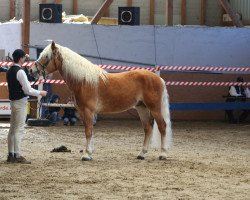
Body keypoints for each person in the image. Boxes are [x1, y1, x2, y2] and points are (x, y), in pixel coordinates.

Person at [6, 49, 47, 164]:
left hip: (13, 102)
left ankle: (11, 154)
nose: (25, 59)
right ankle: (17, 155)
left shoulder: (9, 71)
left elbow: (9, 88)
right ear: (21, 58)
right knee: (19, 129)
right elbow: (27, 90)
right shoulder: (20, 72)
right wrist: (40, 93)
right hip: (20, 102)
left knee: (12, 129)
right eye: (24, 57)